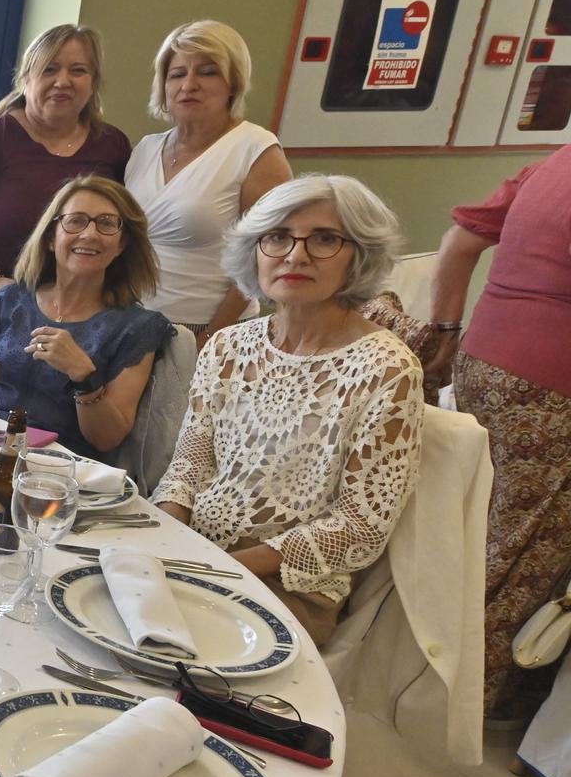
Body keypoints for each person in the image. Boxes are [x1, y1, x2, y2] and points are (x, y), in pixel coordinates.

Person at [153, 175, 423, 646]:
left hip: (287, 585)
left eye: (324, 239)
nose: (296, 255)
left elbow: (360, 525)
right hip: (194, 554)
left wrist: (224, 567)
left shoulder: (388, 368)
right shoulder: (227, 346)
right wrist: (169, 542)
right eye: (277, 237)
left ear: (359, 254)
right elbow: (191, 464)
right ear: (254, 251)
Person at [426, 143, 571, 724]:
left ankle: (422, 666)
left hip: (485, 365)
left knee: (471, 524)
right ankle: (465, 695)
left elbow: (459, 243)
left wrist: (444, 332)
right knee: (527, 547)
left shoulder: (554, 163)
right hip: (553, 385)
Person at [0, 24, 132, 371]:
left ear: (93, 81)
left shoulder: (113, 146)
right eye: (49, 69)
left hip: (75, 315)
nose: (62, 81)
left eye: (77, 70)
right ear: (27, 78)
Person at [0, 177, 168, 458]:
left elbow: (106, 440)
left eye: (107, 223)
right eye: (76, 221)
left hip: (53, 474)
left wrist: (84, 377)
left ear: (123, 244)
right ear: (50, 237)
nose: (90, 234)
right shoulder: (11, 298)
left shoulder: (137, 327)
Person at [124, 20, 293, 341]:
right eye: (177, 74)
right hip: (132, 322)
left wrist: (212, 336)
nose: (189, 85)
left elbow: (266, 255)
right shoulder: (145, 149)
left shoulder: (256, 150)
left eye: (207, 71)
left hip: (209, 329)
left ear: (233, 82)